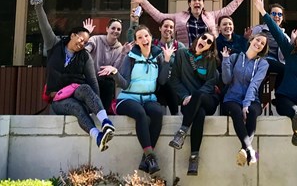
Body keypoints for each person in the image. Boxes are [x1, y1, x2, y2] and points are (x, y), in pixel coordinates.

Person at [24, 0, 114, 151]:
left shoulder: (85, 56)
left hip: (78, 92)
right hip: (58, 100)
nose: (82, 43)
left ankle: (106, 123)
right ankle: (97, 136)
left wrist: (96, 105)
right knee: (75, 107)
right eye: (81, 39)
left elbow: (93, 82)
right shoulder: (54, 45)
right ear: (73, 35)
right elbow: (44, 25)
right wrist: (38, 4)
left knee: (86, 88)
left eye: (86, 42)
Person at [253, 0, 297, 161]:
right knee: (294, 113)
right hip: (285, 99)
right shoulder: (291, 54)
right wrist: (263, 12)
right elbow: (277, 32)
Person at [110, 25, 175, 175]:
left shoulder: (158, 56)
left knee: (157, 112)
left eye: (146, 36)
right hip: (127, 98)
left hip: (148, 98)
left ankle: (145, 158)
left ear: (151, 38)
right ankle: (151, 157)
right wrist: (115, 73)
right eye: (140, 37)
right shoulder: (130, 58)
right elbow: (124, 84)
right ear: (137, 42)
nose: (144, 39)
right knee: (141, 114)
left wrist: (166, 61)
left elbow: (163, 81)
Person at [168, 31, 220, 176]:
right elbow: (174, 80)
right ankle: (193, 158)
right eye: (204, 37)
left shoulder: (210, 59)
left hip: (207, 99)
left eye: (209, 42)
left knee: (199, 96)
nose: (205, 41)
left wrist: (194, 96)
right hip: (189, 102)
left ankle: (182, 131)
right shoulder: (181, 54)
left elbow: (211, 82)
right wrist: (185, 96)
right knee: (199, 115)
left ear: (210, 47)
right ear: (198, 38)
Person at [130, 0, 246, 45]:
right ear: (189, 4)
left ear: (203, 4)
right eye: (194, 0)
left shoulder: (210, 16)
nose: (197, 2)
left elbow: (227, 11)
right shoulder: (179, 17)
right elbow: (160, 16)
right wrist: (144, 3)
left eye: (200, 0)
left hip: (207, 54)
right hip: (187, 54)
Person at [221, 33, 270, 166]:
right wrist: (225, 60)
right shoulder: (235, 57)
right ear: (251, 40)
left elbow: (255, 84)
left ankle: (245, 149)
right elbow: (226, 80)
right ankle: (250, 150)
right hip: (231, 98)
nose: (259, 44)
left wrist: (247, 104)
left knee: (252, 112)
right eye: (257, 40)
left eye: (262, 43)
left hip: (253, 99)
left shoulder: (263, 64)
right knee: (236, 112)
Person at [127, 9, 186, 115]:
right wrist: (134, 22)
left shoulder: (179, 46)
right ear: (160, 28)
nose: (168, 29)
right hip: (154, 79)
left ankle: (175, 116)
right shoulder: (152, 44)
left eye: (171, 27)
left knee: (168, 85)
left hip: (172, 82)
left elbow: (184, 67)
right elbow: (134, 39)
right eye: (165, 26)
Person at [83, 18, 130, 113]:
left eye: (118, 29)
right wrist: (86, 34)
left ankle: (103, 115)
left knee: (109, 84)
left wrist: (123, 54)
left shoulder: (120, 48)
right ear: (107, 29)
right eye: (113, 28)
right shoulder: (96, 39)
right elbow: (85, 52)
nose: (115, 31)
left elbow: (116, 69)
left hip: (107, 82)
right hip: (91, 78)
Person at [250, 3, 297, 90]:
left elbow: (288, 54)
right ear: (268, 15)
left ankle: (279, 96)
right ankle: (257, 98)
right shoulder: (259, 29)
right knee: (261, 68)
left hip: (276, 63)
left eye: (280, 14)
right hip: (259, 60)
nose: (277, 16)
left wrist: (292, 40)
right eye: (274, 13)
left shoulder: (284, 36)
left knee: (285, 69)